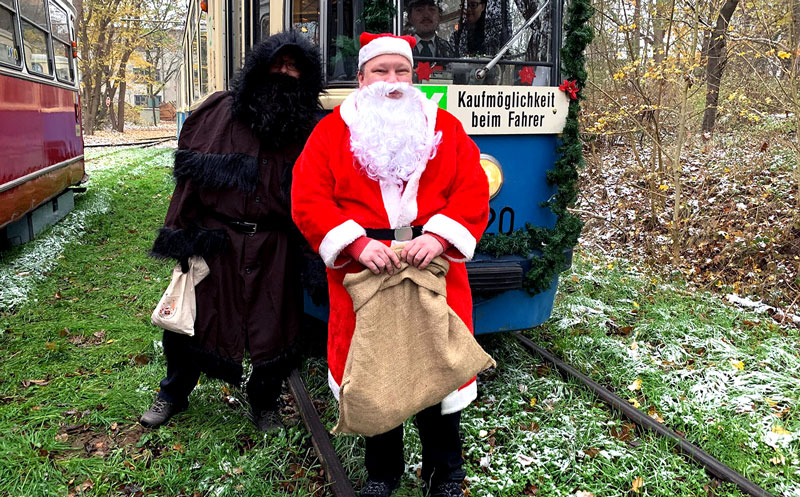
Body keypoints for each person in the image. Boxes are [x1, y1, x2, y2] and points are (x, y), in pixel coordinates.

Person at [291, 33, 489, 497]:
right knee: (375, 372)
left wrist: (440, 236)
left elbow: (472, 190)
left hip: (433, 268)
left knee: (439, 371)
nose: (392, 81)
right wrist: (355, 244)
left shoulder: (445, 127)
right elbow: (308, 198)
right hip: (364, 273)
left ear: (414, 76)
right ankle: (383, 475)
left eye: (402, 71)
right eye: (381, 71)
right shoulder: (330, 133)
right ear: (362, 79)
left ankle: (446, 473)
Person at [140, 31, 323, 433]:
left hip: (276, 245)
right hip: (216, 239)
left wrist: (313, 255)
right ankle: (172, 393)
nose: (284, 72)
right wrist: (182, 234)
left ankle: (265, 405)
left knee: (273, 327)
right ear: (259, 66)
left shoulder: (313, 127)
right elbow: (188, 180)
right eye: (277, 63)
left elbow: (322, 196)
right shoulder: (218, 112)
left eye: (294, 66)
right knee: (192, 320)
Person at [406, 0, 454, 73]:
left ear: (439, 16)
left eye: (432, 9)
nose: (426, 15)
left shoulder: (449, 49)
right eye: (419, 10)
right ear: (410, 17)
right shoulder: (402, 48)